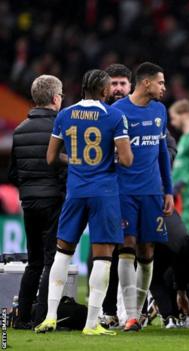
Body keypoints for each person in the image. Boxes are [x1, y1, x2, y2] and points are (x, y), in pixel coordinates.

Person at [34, 69, 133, 336]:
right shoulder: (114, 116)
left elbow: (51, 157)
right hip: (104, 194)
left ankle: (50, 317)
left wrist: (76, 161)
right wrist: (106, 159)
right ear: (103, 91)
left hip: (75, 192)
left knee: (63, 253)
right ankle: (91, 324)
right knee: (103, 258)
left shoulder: (65, 115)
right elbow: (126, 160)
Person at [113, 62, 174, 332]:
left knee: (147, 250)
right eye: (161, 82)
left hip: (152, 191)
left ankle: (136, 311)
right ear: (147, 83)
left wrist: (168, 190)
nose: (164, 87)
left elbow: (162, 153)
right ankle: (131, 315)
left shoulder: (160, 111)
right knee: (126, 246)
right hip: (124, 191)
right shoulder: (117, 112)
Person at [8, 75, 66, 329]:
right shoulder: (62, 128)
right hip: (54, 200)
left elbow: (12, 173)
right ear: (55, 99)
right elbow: (65, 169)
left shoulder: (19, 130)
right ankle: (43, 317)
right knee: (53, 260)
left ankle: (21, 319)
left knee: (34, 261)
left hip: (29, 201)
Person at [97, 63, 133, 329]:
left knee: (134, 252)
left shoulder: (145, 112)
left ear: (131, 86)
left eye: (123, 83)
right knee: (103, 254)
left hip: (135, 195)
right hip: (104, 194)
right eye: (114, 84)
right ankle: (106, 310)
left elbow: (166, 147)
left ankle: (133, 311)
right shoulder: (96, 115)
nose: (118, 88)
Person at [170, 99, 189, 232]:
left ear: (183, 115)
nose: (172, 122)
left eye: (173, 117)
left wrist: (183, 181)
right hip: (178, 194)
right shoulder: (183, 138)